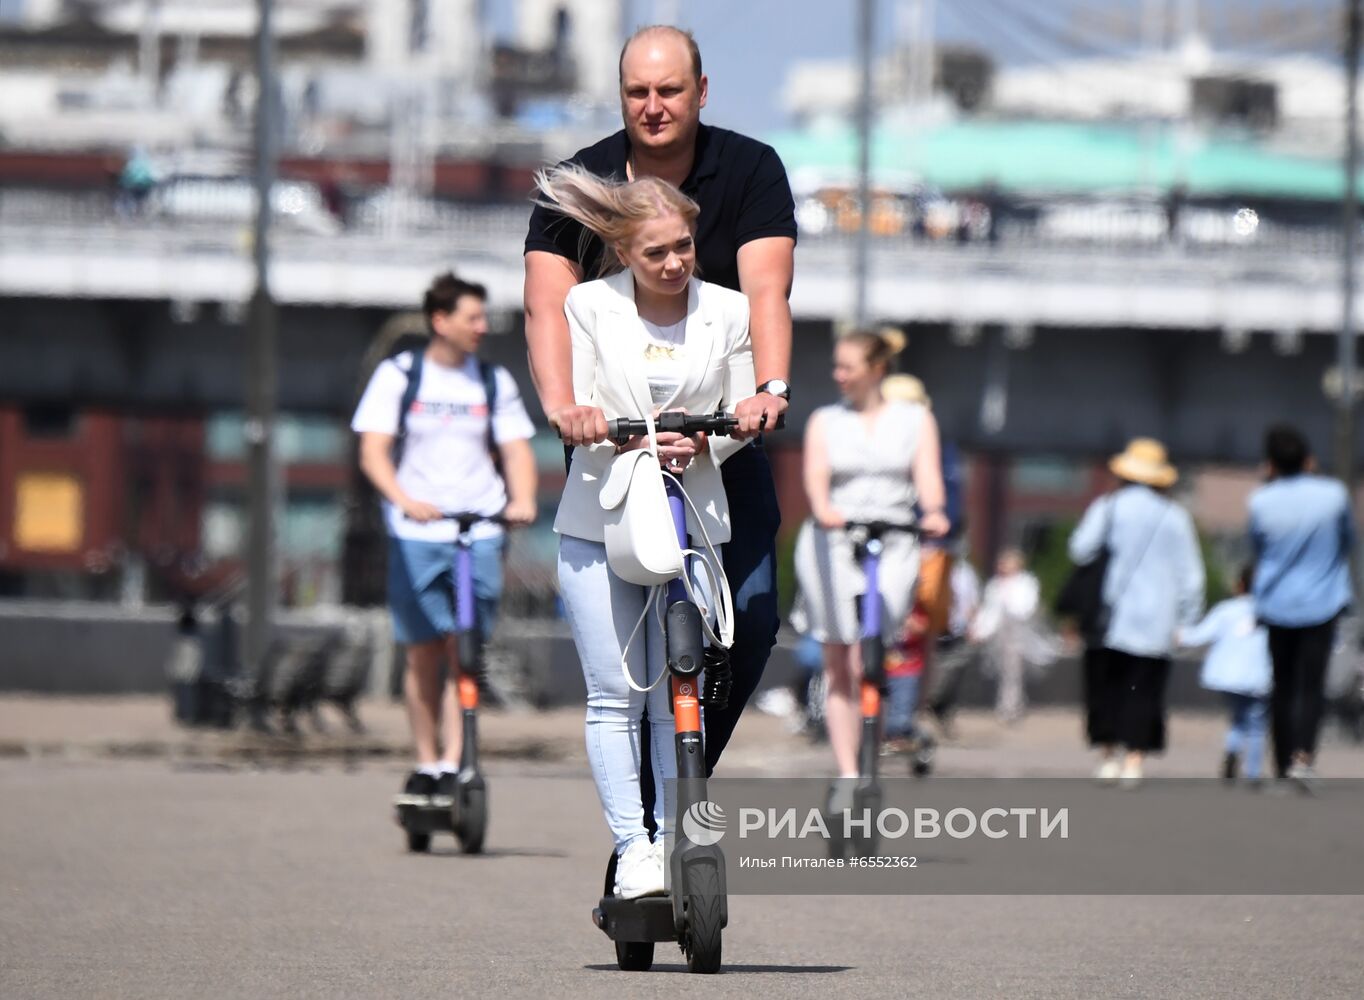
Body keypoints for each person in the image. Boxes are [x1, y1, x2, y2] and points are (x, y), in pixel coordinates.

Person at [523, 25, 796, 782]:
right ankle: (640, 826)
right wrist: (564, 409)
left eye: (669, 90)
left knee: (750, 624)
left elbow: (766, 289)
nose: (653, 106)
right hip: (615, 448)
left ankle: (675, 777)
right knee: (629, 669)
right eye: (637, 92)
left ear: (700, 92)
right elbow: (547, 304)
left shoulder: (749, 170)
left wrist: (767, 392)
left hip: (719, 435)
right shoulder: (581, 178)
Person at [534, 164, 755, 898]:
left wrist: (717, 438)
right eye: (656, 252)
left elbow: (740, 410)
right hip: (602, 516)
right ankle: (635, 847)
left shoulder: (728, 310)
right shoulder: (588, 307)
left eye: (684, 247)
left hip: (688, 519)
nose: (674, 264)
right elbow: (583, 404)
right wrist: (590, 423)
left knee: (676, 691)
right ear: (625, 252)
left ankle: (679, 839)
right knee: (613, 695)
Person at [351, 273, 538, 806]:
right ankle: (427, 762)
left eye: (483, 317)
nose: (483, 327)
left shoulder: (491, 381)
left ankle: (459, 762)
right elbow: (373, 451)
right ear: (441, 320)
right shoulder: (401, 374)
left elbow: (517, 450)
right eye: (472, 317)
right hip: (417, 531)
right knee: (423, 654)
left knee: (466, 650)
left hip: (477, 531)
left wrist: (521, 500)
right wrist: (402, 498)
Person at [795, 331, 949, 779]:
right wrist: (824, 510)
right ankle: (849, 771)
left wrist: (934, 512)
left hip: (896, 535)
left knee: (872, 657)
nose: (838, 376)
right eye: (837, 367)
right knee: (839, 658)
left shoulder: (915, 420)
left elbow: (928, 475)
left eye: (848, 367)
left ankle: (870, 756)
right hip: (836, 538)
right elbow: (816, 476)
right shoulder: (826, 420)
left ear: (877, 369)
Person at [1069, 438, 1204, 788]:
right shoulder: (1176, 517)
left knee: (1106, 689)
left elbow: (1080, 549)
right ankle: (1135, 760)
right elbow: (1191, 574)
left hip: (1110, 618)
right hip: (1157, 622)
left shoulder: (1109, 507)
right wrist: (1188, 619)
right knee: (1144, 691)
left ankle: (1108, 756)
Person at [1248, 424, 1355, 792]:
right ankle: (1303, 758)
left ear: (1271, 463)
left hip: (1277, 604)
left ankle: (1279, 763)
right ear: (1308, 459)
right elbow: (1348, 540)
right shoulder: (1333, 495)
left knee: (1282, 685)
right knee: (1311, 686)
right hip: (1322, 603)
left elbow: (1258, 549)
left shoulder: (1261, 500)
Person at [1178, 565, 1272, 788]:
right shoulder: (1270, 612)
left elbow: (1200, 634)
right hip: (1258, 677)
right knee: (1257, 724)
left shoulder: (1226, 610)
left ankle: (1232, 751)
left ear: (1239, 585)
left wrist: (1179, 635)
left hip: (1228, 677)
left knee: (1238, 719)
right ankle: (1253, 772)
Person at [971, 548, 1056, 724]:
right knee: (1001, 669)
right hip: (999, 632)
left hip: (1017, 630)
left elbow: (1027, 607)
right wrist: (979, 629)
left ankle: (1009, 706)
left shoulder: (1026, 583)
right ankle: (1012, 702)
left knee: (1013, 671)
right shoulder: (995, 585)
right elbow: (989, 611)